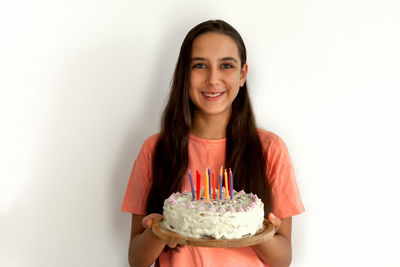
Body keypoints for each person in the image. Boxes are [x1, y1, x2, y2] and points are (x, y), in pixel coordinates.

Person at [121, 19, 304, 267]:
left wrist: (249, 225)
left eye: (226, 65)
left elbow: (283, 259)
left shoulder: (270, 149)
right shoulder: (155, 149)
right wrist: (159, 230)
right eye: (199, 65)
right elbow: (136, 260)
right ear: (184, 74)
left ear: (243, 74)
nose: (213, 79)